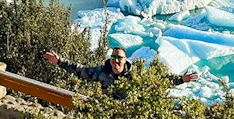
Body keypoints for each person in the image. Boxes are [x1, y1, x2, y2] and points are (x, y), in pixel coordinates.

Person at [43, 47, 198, 96]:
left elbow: (157, 82)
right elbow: (80, 71)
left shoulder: (134, 76)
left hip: (128, 117)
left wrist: (181, 80)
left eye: (119, 58)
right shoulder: (102, 72)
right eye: (113, 57)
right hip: (108, 113)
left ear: (125, 61)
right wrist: (59, 61)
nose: (116, 61)